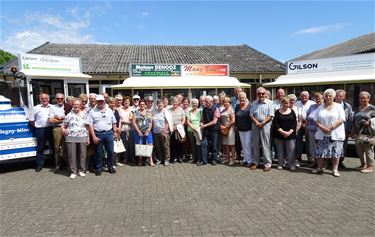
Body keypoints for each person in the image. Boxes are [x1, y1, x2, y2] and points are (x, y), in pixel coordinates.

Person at [312, 89, 346, 177]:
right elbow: (315, 119)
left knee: (335, 153)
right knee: (320, 152)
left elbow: (342, 119)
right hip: (322, 134)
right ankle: (319, 168)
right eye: (326, 96)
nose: (328, 97)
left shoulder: (338, 106)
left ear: (333, 97)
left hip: (335, 134)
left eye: (330, 96)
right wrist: (322, 127)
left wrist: (331, 127)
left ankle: (335, 169)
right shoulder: (320, 107)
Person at [88, 95, 118, 175]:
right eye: (98, 101)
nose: (100, 103)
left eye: (102, 101)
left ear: (104, 101)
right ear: (96, 102)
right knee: (99, 153)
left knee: (111, 152)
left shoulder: (109, 110)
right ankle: (99, 168)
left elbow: (114, 122)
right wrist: (93, 136)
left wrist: (115, 132)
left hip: (109, 133)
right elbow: (90, 125)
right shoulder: (92, 111)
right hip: (98, 134)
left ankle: (110, 167)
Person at [62, 99, 90, 179]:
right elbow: (64, 125)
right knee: (71, 155)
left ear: (81, 105)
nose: (76, 106)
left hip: (82, 136)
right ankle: (73, 171)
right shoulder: (69, 115)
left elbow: (88, 127)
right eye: (74, 104)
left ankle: (81, 170)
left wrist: (88, 138)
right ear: (72, 105)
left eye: (78, 104)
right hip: (71, 137)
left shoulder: (85, 115)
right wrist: (64, 130)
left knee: (82, 155)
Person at [250, 87, 274, 171]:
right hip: (255, 124)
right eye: (259, 94)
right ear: (257, 94)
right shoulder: (254, 103)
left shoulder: (270, 103)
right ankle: (256, 162)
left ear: (265, 94)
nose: (261, 95)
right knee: (255, 144)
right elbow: (251, 115)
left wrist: (262, 123)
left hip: (266, 125)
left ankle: (267, 163)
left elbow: (270, 115)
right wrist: (257, 122)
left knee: (265, 144)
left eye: (262, 93)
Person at [29, 93, 54, 172]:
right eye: (42, 98)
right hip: (40, 130)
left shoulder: (52, 107)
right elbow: (31, 120)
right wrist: (36, 126)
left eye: (46, 98)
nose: (44, 99)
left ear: (48, 99)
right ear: (40, 99)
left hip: (50, 129)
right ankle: (40, 165)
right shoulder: (36, 108)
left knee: (53, 146)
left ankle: (55, 163)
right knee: (40, 148)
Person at [352, 91, 375, 173]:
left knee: (368, 150)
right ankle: (363, 164)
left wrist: (369, 122)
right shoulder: (357, 108)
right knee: (360, 150)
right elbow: (354, 120)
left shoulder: (372, 108)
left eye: (365, 98)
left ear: (368, 99)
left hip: (368, 133)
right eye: (361, 98)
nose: (363, 99)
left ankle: (370, 167)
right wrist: (353, 130)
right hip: (358, 133)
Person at [272, 97, 297, 171]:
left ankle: (291, 164)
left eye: (287, 103)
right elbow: (275, 124)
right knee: (280, 150)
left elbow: (294, 123)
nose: (286, 105)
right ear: (281, 103)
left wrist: (289, 132)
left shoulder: (292, 111)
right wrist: (282, 132)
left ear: (289, 103)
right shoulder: (277, 112)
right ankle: (280, 163)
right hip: (279, 134)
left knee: (291, 150)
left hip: (290, 135)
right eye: (284, 103)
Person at [199, 95, 220, 166]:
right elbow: (202, 119)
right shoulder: (204, 109)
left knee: (214, 145)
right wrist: (201, 123)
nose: (205, 102)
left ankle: (214, 160)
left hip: (214, 130)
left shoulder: (216, 109)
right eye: (205, 101)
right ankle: (204, 160)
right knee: (204, 144)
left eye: (206, 101)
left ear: (211, 102)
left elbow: (215, 121)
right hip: (206, 130)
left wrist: (204, 125)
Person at [132, 99, 154, 166]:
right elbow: (133, 122)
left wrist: (148, 131)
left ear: (145, 105)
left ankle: (150, 160)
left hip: (147, 132)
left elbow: (150, 122)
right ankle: (140, 160)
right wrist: (138, 131)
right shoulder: (136, 112)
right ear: (139, 105)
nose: (142, 105)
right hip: (138, 132)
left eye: (143, 104)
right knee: (140, 145)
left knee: (149, 145)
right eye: (141, 104)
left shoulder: (149, 112)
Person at [335, 89, 353, 168]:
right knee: (332, 145)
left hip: (344, 130)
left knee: (343, 146)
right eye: (337, 96)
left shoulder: (347, 106)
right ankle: (330, 161)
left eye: (340, 96)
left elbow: (350, 118)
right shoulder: (331, 105)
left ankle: (340, 161)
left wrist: (349, 130)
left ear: (344, 97)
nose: (338, 97)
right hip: (333, 130)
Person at [295, 91, 315, 162]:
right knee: (298, 141)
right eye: (302, 96)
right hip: (299, 123)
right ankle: (298, 156)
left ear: (308, 96)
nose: (304, 97)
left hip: (309, 124)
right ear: (300, 96)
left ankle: (310, 158)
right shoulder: (297, 103)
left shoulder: (312, 103)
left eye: (305, 95)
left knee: (309, 141)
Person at [48, 93, 66, 172]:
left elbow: (69, 118)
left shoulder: (68, 106)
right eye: (58, 98)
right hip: (57, 129)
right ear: (55, 99)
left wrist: (57, 118)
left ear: (63, 98)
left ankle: (67, 163)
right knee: (57, 148)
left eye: (61, 98)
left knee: (68, 146)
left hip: (67, 128)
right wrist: (62, 119)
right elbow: (51, 120)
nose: (59, 100)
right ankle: (58, 165)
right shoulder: (52, 107)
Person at [305, 92, 324, 168]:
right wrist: (306, 128)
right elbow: (307, 118)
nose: (318, 100)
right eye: (316, 98)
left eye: (320, 98)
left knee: (320, 147)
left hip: (321, 131)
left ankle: (322, 164)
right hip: (311, 131)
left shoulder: (324, 107)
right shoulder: (311, 106)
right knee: (312, 147)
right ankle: (314, 162)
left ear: (323, 99)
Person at [234, 92, 253, 166]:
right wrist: (236, 125)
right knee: (243, 144)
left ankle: (250, 160)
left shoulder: (250, 106)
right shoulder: (237, 106)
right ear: (238, 99)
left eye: (243, 98)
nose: (242, 99)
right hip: (240, 128)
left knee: (248, 144)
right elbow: (236, 116)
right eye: (240, 98)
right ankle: (245, 159)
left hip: (248, 128)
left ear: (246, 98)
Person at [152, 99, 172, 166]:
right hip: (155, 132)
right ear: (157, 105)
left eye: (161, 103)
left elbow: (167, 122)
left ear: (163, 104)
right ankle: (160, 159)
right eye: (159, 103)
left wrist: (164, 131)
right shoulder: (154, 111)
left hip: (164, 132)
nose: (160, 105)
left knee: (165, 146)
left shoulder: (166, 112)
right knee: (158, 147)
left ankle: (167, 159)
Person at [168, 96, 186, 163]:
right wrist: (172, 127)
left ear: (178, 102)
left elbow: (184, 119)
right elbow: (168, 120)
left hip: (179, 129)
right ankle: (173, 157)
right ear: (171, 102)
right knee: (173, 144)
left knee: (180, 143)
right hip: (172, 129)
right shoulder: (169, 110)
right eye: (173, 102)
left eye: (176, 102)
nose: (175, 103)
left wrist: (179, 126)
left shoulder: (181, 109)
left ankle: (180, 157)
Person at [118, 96, 135, 164]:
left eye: (128, 101)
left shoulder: (132, 109)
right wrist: (124, 122)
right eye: (125, 101)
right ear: (123, 102)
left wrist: (126, 122)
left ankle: (132, 158)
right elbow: (119, 119)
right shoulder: (120, 109)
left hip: (130, 129)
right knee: (124, 144)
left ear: (129, 102)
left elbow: (133, 119)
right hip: (122, 129)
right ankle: (125, 158)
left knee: (131, 144)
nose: (126, 102)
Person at [220, 97, 236, 165]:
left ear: (229, 103)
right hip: (224, 129)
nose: (225, 103)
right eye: (224, 102)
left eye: (227, 102)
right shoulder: (223, 110)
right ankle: (227, 158)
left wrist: (226, 126)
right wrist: (221, 126)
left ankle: (232, 159)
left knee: (231, 145)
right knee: (226, 145)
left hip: (230, 129)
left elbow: (233, 120)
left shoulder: (231, 110)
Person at [186, 98, 202, 164]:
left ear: (198, 104)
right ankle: (194, 158)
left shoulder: (200, 111)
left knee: (198, 145)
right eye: (193, 103)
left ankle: (199, 159)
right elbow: (188, 121)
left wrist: (197, 128)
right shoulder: (189, 112)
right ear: (191, 104)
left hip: (198, 130)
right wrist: (193, 128)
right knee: (192, 145)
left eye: (195, 103)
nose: (194, 104)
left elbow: (201, 121)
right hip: (190, 130)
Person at [108, 97, 122, 168]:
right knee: (111, 148)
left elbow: (119, 120)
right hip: (111, 131)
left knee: (117, 147)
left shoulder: (116, 111)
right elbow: (109, 122)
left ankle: (116, 161)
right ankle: (111, 163)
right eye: (110, 103)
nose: (112, 104)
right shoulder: (107, 111)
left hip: (117, 130)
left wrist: (119, 128)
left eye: (113, 103)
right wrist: (115, 129)